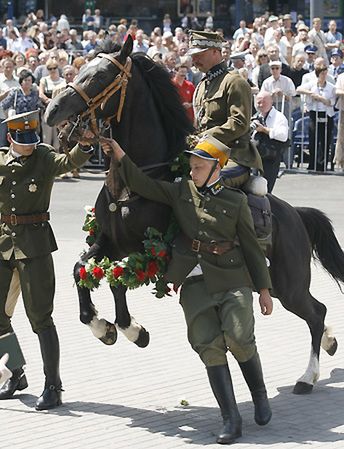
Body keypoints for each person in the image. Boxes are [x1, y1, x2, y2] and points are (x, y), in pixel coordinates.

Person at [100, 134, 273, 445]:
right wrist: (119, 153)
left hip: (232, 276)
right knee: (207, 344)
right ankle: (230, 418)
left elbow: (251, 247)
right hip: (194, 278)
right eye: (191, 167)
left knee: (238, 337)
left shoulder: (236, 202)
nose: (191, 172)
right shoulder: (181, 191)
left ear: (215, 169)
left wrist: (262, 289)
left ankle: (259, 393)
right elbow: (142, 184)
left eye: (197, 167)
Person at [0, 110, 95, 410]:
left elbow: (70, 163)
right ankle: (16, 373)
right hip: (3, 246)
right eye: (22, 141)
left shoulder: (43, 156)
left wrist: (85, 144)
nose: (28, 146)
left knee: (40, 318)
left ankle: (53, 386)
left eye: (32, 141)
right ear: (10, 138)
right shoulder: (1, 161)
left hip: (35, 247)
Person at [188, 30, 263, 188]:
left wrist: (203, 137)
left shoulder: (235, 82)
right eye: (192, 55)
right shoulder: (202, 85)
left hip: (233, 156)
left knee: (208, 181)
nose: (194, 60)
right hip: (204, 155)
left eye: (199, 54)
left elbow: (239, 123)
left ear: (215, 52)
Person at [297, 65, 336, 171]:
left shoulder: (331, 87)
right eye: (322, 74)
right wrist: (310, 93)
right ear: (317, 75)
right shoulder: (312, 84)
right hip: (315, 113)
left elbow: (331, 102)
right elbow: (299, 89)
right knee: (313, 139)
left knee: (325, 140)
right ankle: (312, 163)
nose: (324, 76)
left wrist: (320, 98)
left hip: (326, 114)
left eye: (325, 73)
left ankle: (322, 164)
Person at [251, 91, 289, 192]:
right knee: (254, 188)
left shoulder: (279, 117)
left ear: (271, 102)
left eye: (264, 102)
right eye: (258, 102)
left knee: (266, 190)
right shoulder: (255, 117)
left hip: (271, 159)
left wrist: (264, 130)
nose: (261, 105)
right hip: (256, 158)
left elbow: (283, 136)